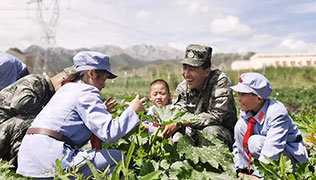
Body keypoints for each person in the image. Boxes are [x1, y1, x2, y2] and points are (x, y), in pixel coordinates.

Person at [17, 51, 147, 179]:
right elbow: (109, 133)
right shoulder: (87, 91)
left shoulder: (67, 89)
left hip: (28, 160)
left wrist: (101, 111)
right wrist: (132, 110)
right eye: (104, 78)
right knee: (118, 159)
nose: (104, 85)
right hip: (51, 159)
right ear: (91, 73)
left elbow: (67, 121)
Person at [231, 72, 308, 179]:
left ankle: (266, 174)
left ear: (258, 98)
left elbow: (274, 147)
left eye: (243, 94)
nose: (239, 98)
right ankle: (244, 169)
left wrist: (259, 175)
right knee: (240, 126)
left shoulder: (277, 112)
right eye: (238, 93)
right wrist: (239, 168)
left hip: (291, 159)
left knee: (255, 142)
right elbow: (239, 143)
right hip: (268, 154)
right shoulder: (247, 111)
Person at [162, 44, 237, 149]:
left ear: (206, 71)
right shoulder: (183, 87)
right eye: (184, 67)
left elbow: (215, 116)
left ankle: (212, 164)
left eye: (192, 69)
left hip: (221, 133)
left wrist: (182, 123)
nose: (186, 74)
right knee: (175, 132)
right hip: (192, 132)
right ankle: (179, 159)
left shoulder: (220, 82)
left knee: (210, 132)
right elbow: (176, 114)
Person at [0, 66, 75, 167]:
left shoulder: (49, 94)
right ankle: (22, 166)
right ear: (63, 82)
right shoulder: (36, 81)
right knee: (29, 123)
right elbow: (21, 104)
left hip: (4, 135)